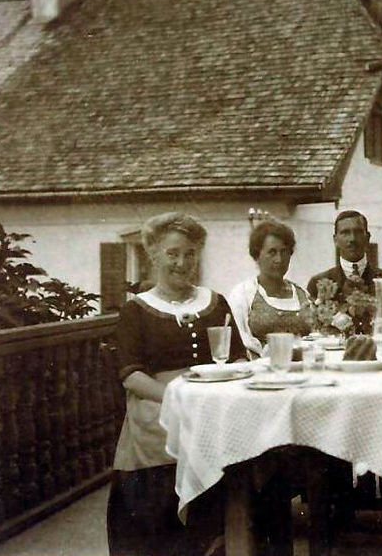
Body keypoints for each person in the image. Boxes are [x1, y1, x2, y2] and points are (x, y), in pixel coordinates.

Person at [106, 212, 244, 556]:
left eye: (190, 254)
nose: (182, 263)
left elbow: (240, 359)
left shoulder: (216, 303)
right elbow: (132, 377)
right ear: (153, 255)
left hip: (211, 406)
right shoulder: (136, 310)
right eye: (173, 254)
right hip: (159, 408)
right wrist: (180, 398)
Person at [229, 220, 312, 358]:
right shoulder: (243, 294)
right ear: (257, 255)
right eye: (272, 252)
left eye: (284, 252)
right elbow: (239, 343)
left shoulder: (302, 294)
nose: (279, 259)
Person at [307, 210, 382, 301]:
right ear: (335, 240)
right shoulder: (318, 284)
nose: (352, 239)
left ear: (367, 237)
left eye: (358, 232)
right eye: (345, 233)